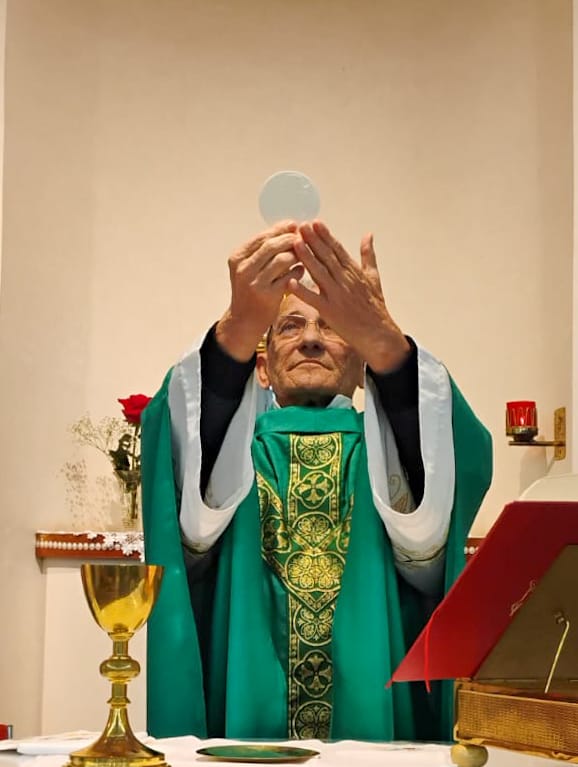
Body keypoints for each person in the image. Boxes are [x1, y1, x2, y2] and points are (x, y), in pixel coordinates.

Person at [141, 220, 492, 743]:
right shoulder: (228, 454)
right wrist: (237, 327)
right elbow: (181, 511)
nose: (310, 339)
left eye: (332, 327)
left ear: (363, 363)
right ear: (261, 368)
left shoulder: (393, 453)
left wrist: (388, 344)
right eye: (289, 326)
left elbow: (442, 512)